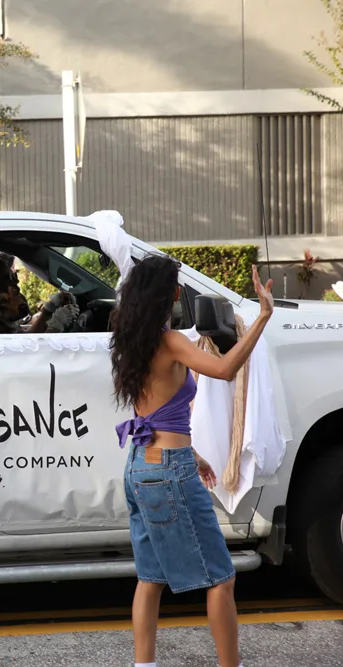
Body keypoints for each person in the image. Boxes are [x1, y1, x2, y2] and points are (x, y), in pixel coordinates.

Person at [111, 255, 274, 667]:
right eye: (177, 286)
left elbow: (154, 412)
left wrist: (195, 454)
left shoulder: (131, 343)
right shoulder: (170, 342)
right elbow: (224, 369)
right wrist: (262, 317)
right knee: (221, 577)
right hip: (169, 470)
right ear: (171, 295)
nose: (180, 291)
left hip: (139, 465)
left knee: (150, 578)